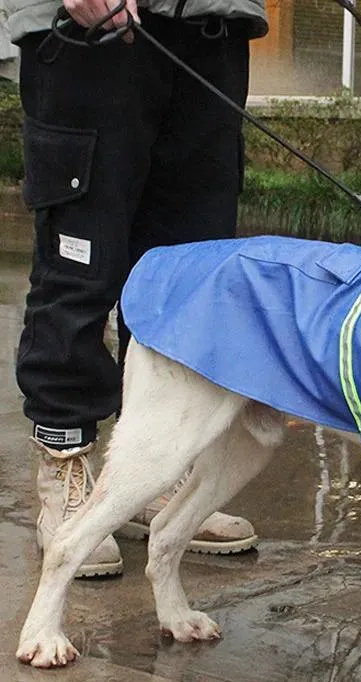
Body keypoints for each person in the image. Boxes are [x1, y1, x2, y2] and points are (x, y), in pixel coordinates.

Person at [6, 0, 268, 576]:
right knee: (80, 269)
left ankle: (151, 472)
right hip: (87, 32)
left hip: (212, 29)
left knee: (185, 283)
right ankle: (63, 459)